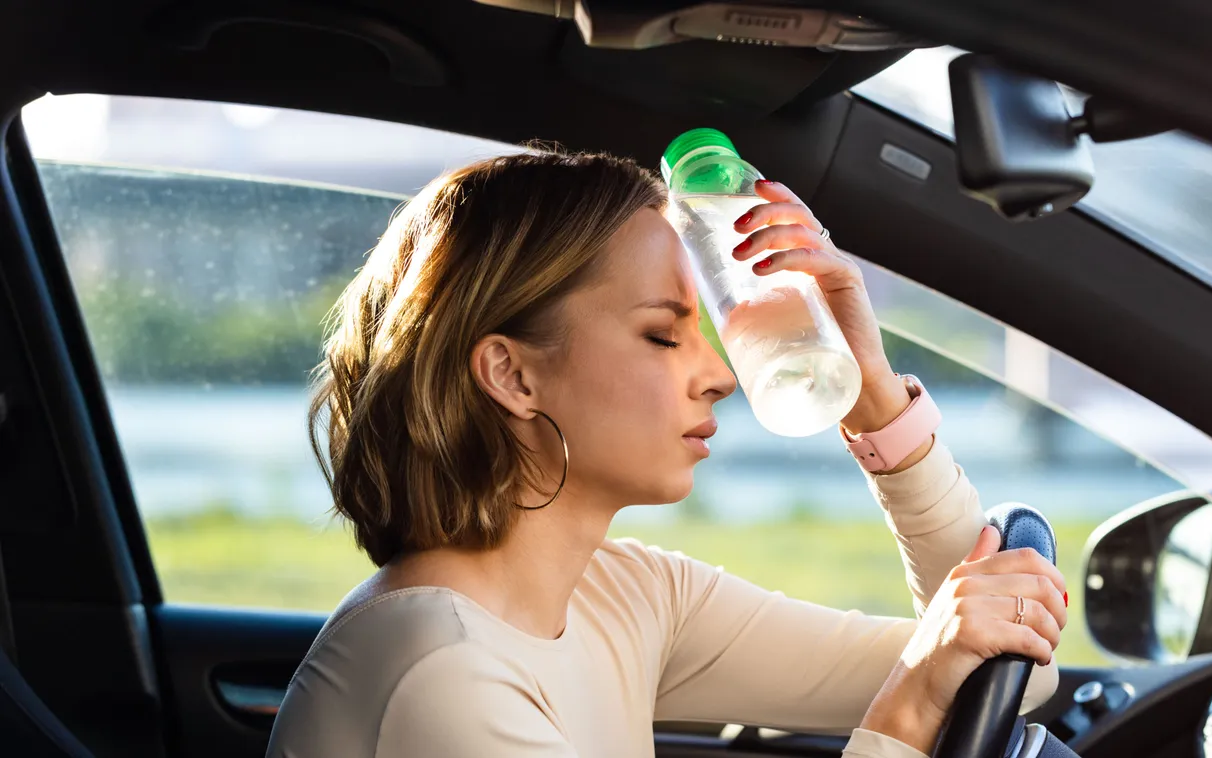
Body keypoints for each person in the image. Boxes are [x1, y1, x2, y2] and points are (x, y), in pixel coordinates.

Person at [266, 150, 1066, 758]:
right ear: (511, 374)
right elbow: (936, 682)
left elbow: (1013, 673)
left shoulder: (628, 594)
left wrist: (872, 392)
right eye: (662, 334)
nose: (719, 376)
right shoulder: (438, 671)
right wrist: (909, 708)